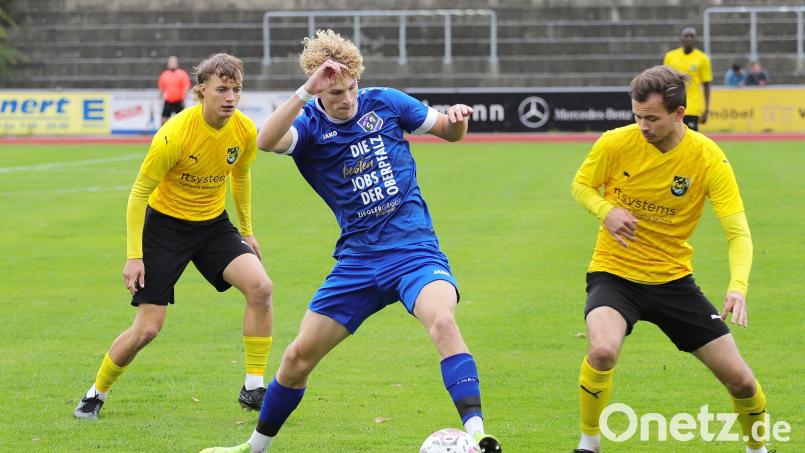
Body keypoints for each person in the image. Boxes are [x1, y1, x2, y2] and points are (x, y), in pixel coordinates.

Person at [200, 30, 502, 453]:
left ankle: (476, 433)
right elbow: (266, 141)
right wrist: (306, 91)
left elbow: (451, 133)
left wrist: (458, 117)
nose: (347, 98)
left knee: (443, 321)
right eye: (336, 91)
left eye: (352, 87)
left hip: (414, 251)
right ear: (320, 89)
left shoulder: (387, 102)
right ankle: (254, 447)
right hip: (358, 262)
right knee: (296, 359)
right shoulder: (308, 127)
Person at [569, 65, 771, 453]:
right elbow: (581, 184)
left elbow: (738, 232)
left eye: (651, 118)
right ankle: (588, 443)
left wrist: (738, 287)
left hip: (674, 281)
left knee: (742, 381)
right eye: (636, 116)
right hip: (615, 273)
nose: (642, 126)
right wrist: (606, 210)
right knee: (602, 350)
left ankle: (758, 449)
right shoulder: (615, 143)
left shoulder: (708, 158)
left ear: (679, 115)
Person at [73, 53, 274, 420]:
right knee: (148, 328)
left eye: (236, 89)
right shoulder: (174, 134)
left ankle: (254, 387)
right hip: (165, 228)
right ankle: (95, 393)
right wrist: (134, 255)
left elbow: (240, 176)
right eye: (222, 89)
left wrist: (247, 231)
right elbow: (138, 194)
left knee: (260, 287)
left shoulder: (244, 130)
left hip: (213, 225)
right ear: (201, 91)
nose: (230, 97)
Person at [663, 26, 712, 131]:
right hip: (674, 104)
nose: (689, 38)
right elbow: (664, 81)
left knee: (691, 138)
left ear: (695, 39)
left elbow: (706, 84)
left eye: (692, 36)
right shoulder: (670, 56)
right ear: (681, 38)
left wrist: (706, 109)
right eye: (686, 36)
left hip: (692, 106)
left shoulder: (702, 58)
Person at [158, 55, 192, 124]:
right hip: (168, 101)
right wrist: (160, 98)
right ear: (168, 64)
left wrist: (184, 99)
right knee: (163, 119)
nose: (172, 63)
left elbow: (186, 87)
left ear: (177, 63)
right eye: (171, 62)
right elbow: (161, 88)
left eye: (174, 62)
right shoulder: (164, 74)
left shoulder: (182, 74)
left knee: (182, 120)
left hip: (179, 102)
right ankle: (164, 134)